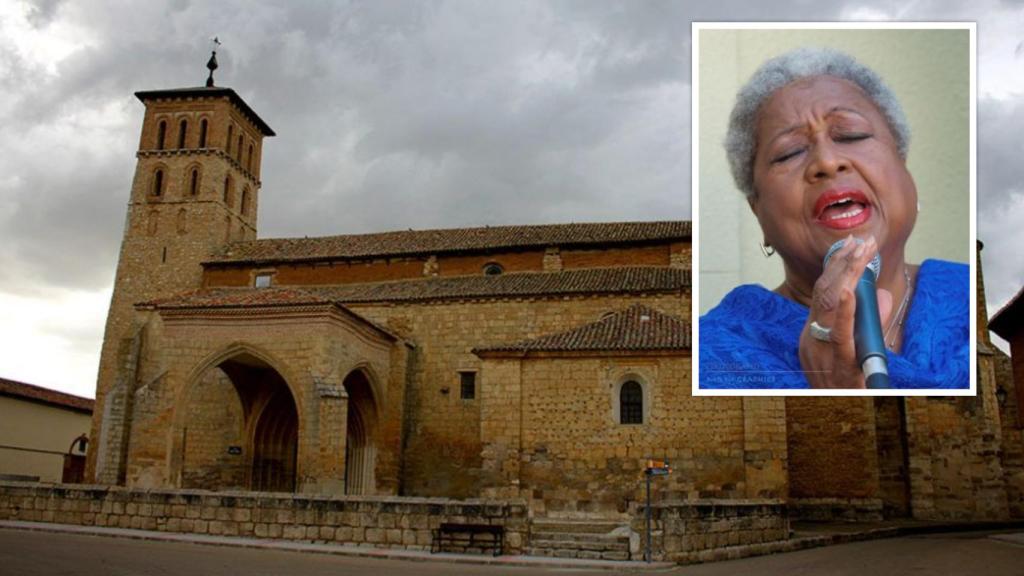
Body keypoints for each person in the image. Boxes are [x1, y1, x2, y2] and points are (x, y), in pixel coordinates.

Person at [699, 47, 968, 390]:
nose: (827, 162)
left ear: (904, 170)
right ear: (757, 210)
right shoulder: (712, 356)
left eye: (852, 135)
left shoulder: (971, 298)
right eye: (789, 152)